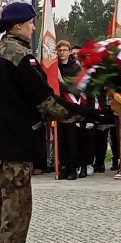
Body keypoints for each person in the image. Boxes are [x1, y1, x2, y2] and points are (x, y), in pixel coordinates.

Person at [0, 2, 105, 243]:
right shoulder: (22, 58)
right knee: (17, 206)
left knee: (2, 203)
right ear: (18, 25)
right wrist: (88, 115)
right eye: (30, 23)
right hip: (15, 142)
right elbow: (45, 101)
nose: (34, 27)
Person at [54, 41, 83, 180]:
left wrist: (61, 82)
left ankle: (73, 168)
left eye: (65, 50)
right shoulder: (54, 66)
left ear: (70, 51)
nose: (62, 53)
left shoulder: (76, 67)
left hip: (71, 107)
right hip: (58, 108)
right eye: (59, 50)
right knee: (61, 139)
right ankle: (63, 166)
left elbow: (75, 87)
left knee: (72, 139)